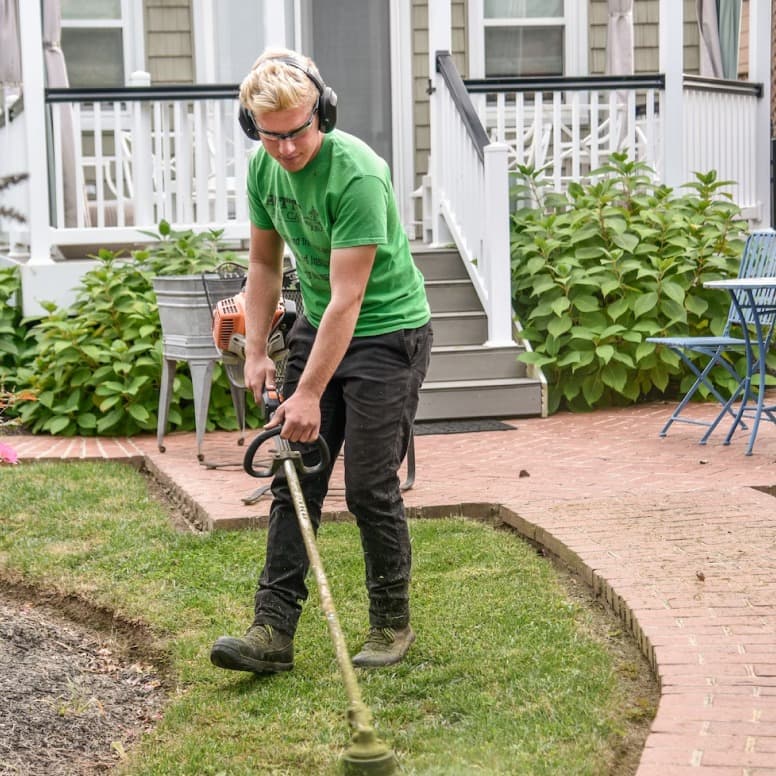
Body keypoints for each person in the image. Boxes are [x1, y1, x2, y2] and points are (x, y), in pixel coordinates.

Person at [209, 48, 432, 674]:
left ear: (322, 113)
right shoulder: (265, 168)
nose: (284, 148)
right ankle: (271, 632)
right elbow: (262, 264)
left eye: (297, 131)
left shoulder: (356, 174)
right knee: (293, 476)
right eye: (269, 135)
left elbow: (348, 298)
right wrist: (254, 349)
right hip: (318, 323)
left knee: (367, 484)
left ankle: (390, 624)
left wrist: (307, 394)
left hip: (387, 333)